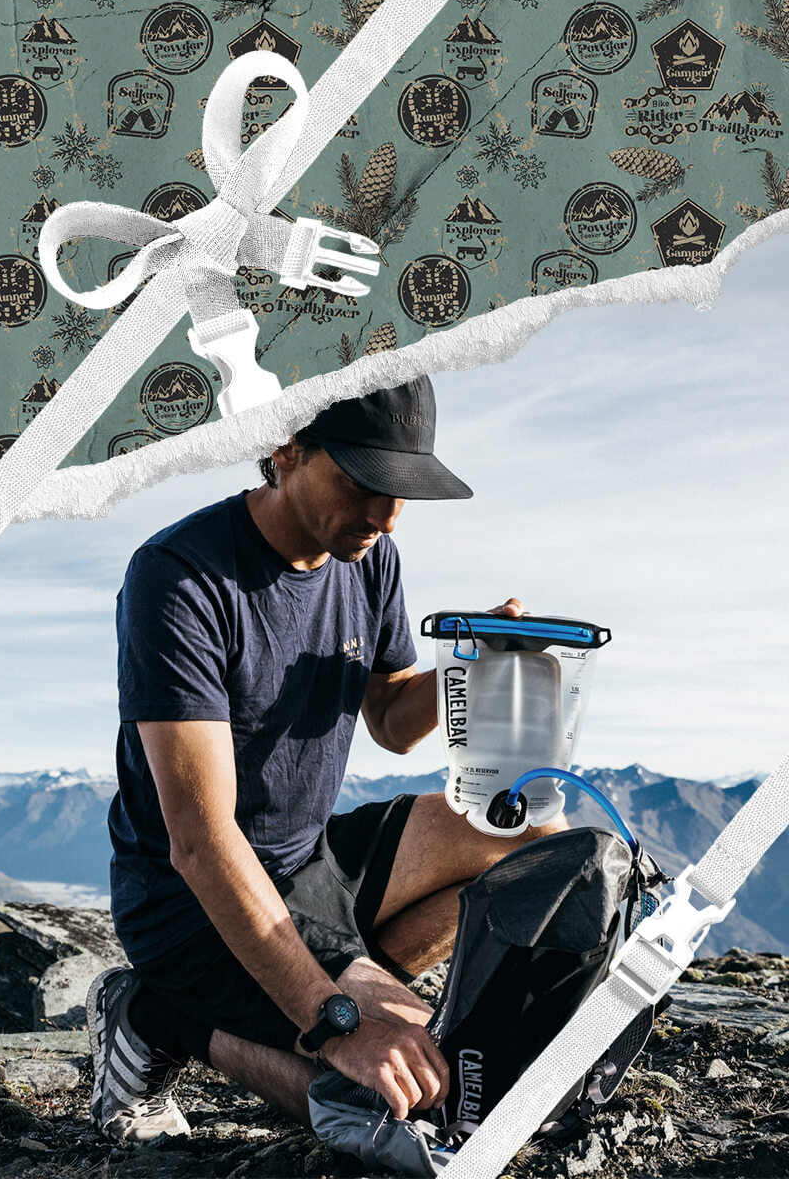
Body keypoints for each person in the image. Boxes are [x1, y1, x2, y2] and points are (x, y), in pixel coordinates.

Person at [88, 374, 568, 1143]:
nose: (383, 513)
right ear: (284, 449)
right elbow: (201, 843)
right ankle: (155, 1013)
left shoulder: (369, 555)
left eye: (402, 488)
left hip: (310, 865)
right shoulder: (179, 578)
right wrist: (339, 1025)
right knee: (416, 1116)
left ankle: (342, 980)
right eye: (360, 481)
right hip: (188, 907)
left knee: (535, 843)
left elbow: (392, 719)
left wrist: (475, 669)